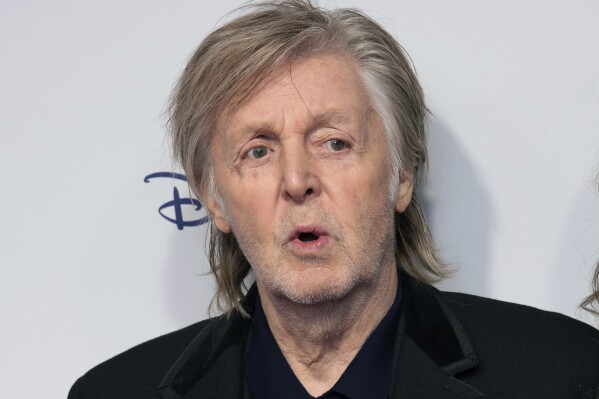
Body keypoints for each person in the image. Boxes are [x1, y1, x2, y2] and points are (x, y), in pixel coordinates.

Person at [69, 1, 599, 398]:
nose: (296, 180)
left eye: (334, 143)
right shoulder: (112, 392)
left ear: (401, 176)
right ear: (213, 197)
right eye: (258, 151)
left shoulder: (563, 374)